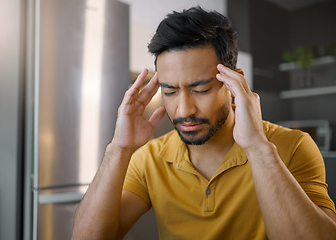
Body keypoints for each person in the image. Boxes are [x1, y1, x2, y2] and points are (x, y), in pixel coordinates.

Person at [72, 6, 336, 239]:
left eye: (201, 89)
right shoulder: (149, 158)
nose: (184, 110)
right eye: (170, 91)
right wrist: (118, 148)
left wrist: (257, 147)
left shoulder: (293, 146)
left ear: (235, 84)